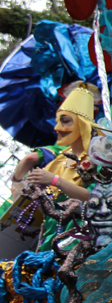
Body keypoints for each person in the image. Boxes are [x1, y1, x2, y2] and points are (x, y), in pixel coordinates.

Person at [5, 84, 96, 250]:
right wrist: (22, 190)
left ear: (82, 124)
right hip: (46, 237)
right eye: (57, 121)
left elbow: (94, 197)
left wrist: (55, 181)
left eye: (65, 121)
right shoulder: (58, 160)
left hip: (73, 239)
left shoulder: (94, 158)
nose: (57, 128)